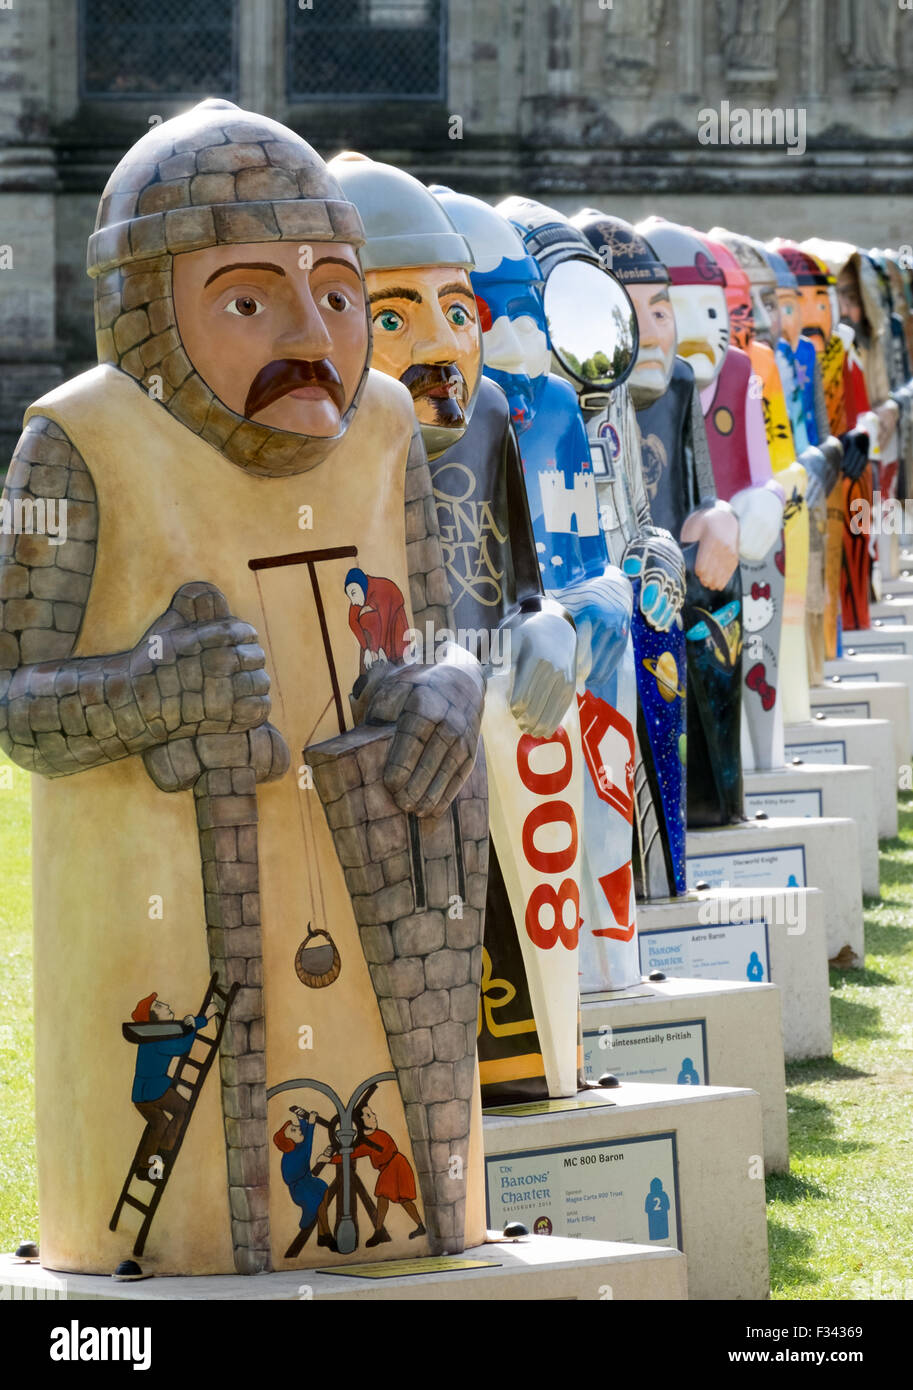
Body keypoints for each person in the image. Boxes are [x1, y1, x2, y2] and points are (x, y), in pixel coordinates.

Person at [130, 992, 217, 1178]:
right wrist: (199, 1022)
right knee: (183, 1110)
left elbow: (180, 1030)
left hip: (140, 1096)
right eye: (159, 1007)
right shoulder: (159, 1038)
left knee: (159, 1124)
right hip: (155, 1092)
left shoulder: (153, 1033)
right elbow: (181, 1047)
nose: (166, 1006)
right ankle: (165, 1150)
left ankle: (145, 1166)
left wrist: (198, 1021)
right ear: (154, 1019)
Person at [324, 1103, 425, 1247]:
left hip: (395, 1165)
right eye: (369, 1115)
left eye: (372, 1113)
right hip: (391, 1167)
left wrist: (330, 1159)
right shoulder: (364, 1142)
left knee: (395, 1198)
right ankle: (383, 1231)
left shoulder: (376, 1136)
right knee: (389, 1198)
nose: (374, 1116)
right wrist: (331, 1159)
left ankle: (382, 1231)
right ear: (360, 1122)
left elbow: (352, 1152)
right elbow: (350, 1153)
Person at [274, 1108, 335, 1249]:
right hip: (299, 1189)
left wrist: (302, 1120)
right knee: (318, 1203)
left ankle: (321, 1235)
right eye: (293, 1130)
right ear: (288, 1141)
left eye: (295, 1127)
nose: (297, 1129)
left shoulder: (296, 1148)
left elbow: (302, 1139)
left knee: (324, 1189)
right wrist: (311, 1123)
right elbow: (307, 1143)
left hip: (308, 1181)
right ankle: (327, 1235)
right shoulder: (294, 1154)